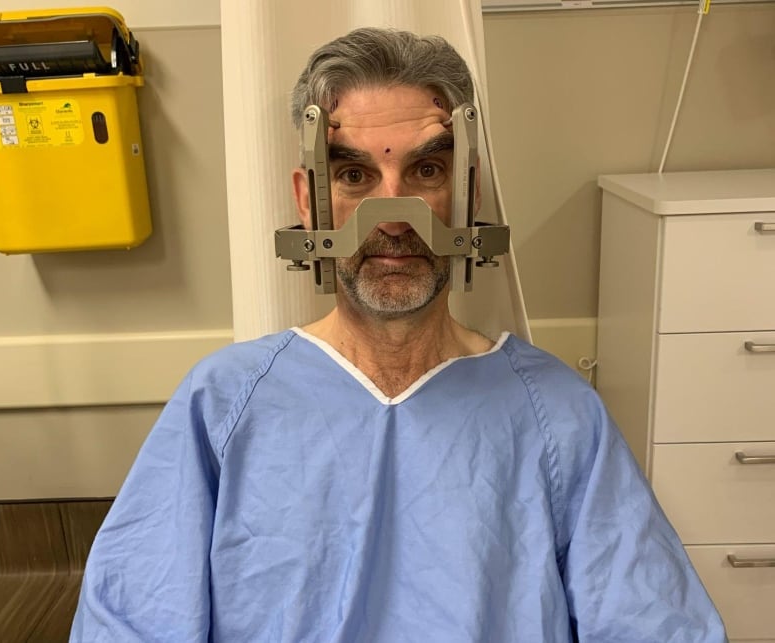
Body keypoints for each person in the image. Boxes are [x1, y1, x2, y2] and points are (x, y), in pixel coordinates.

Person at [71, 27, 727, 642]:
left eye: (426, 172)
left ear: (466, 193)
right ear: (309, 202)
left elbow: (658, 623)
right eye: (355, 176)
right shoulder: (221, 405)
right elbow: (128, 622)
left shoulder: (558, 417)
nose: (392, 217)